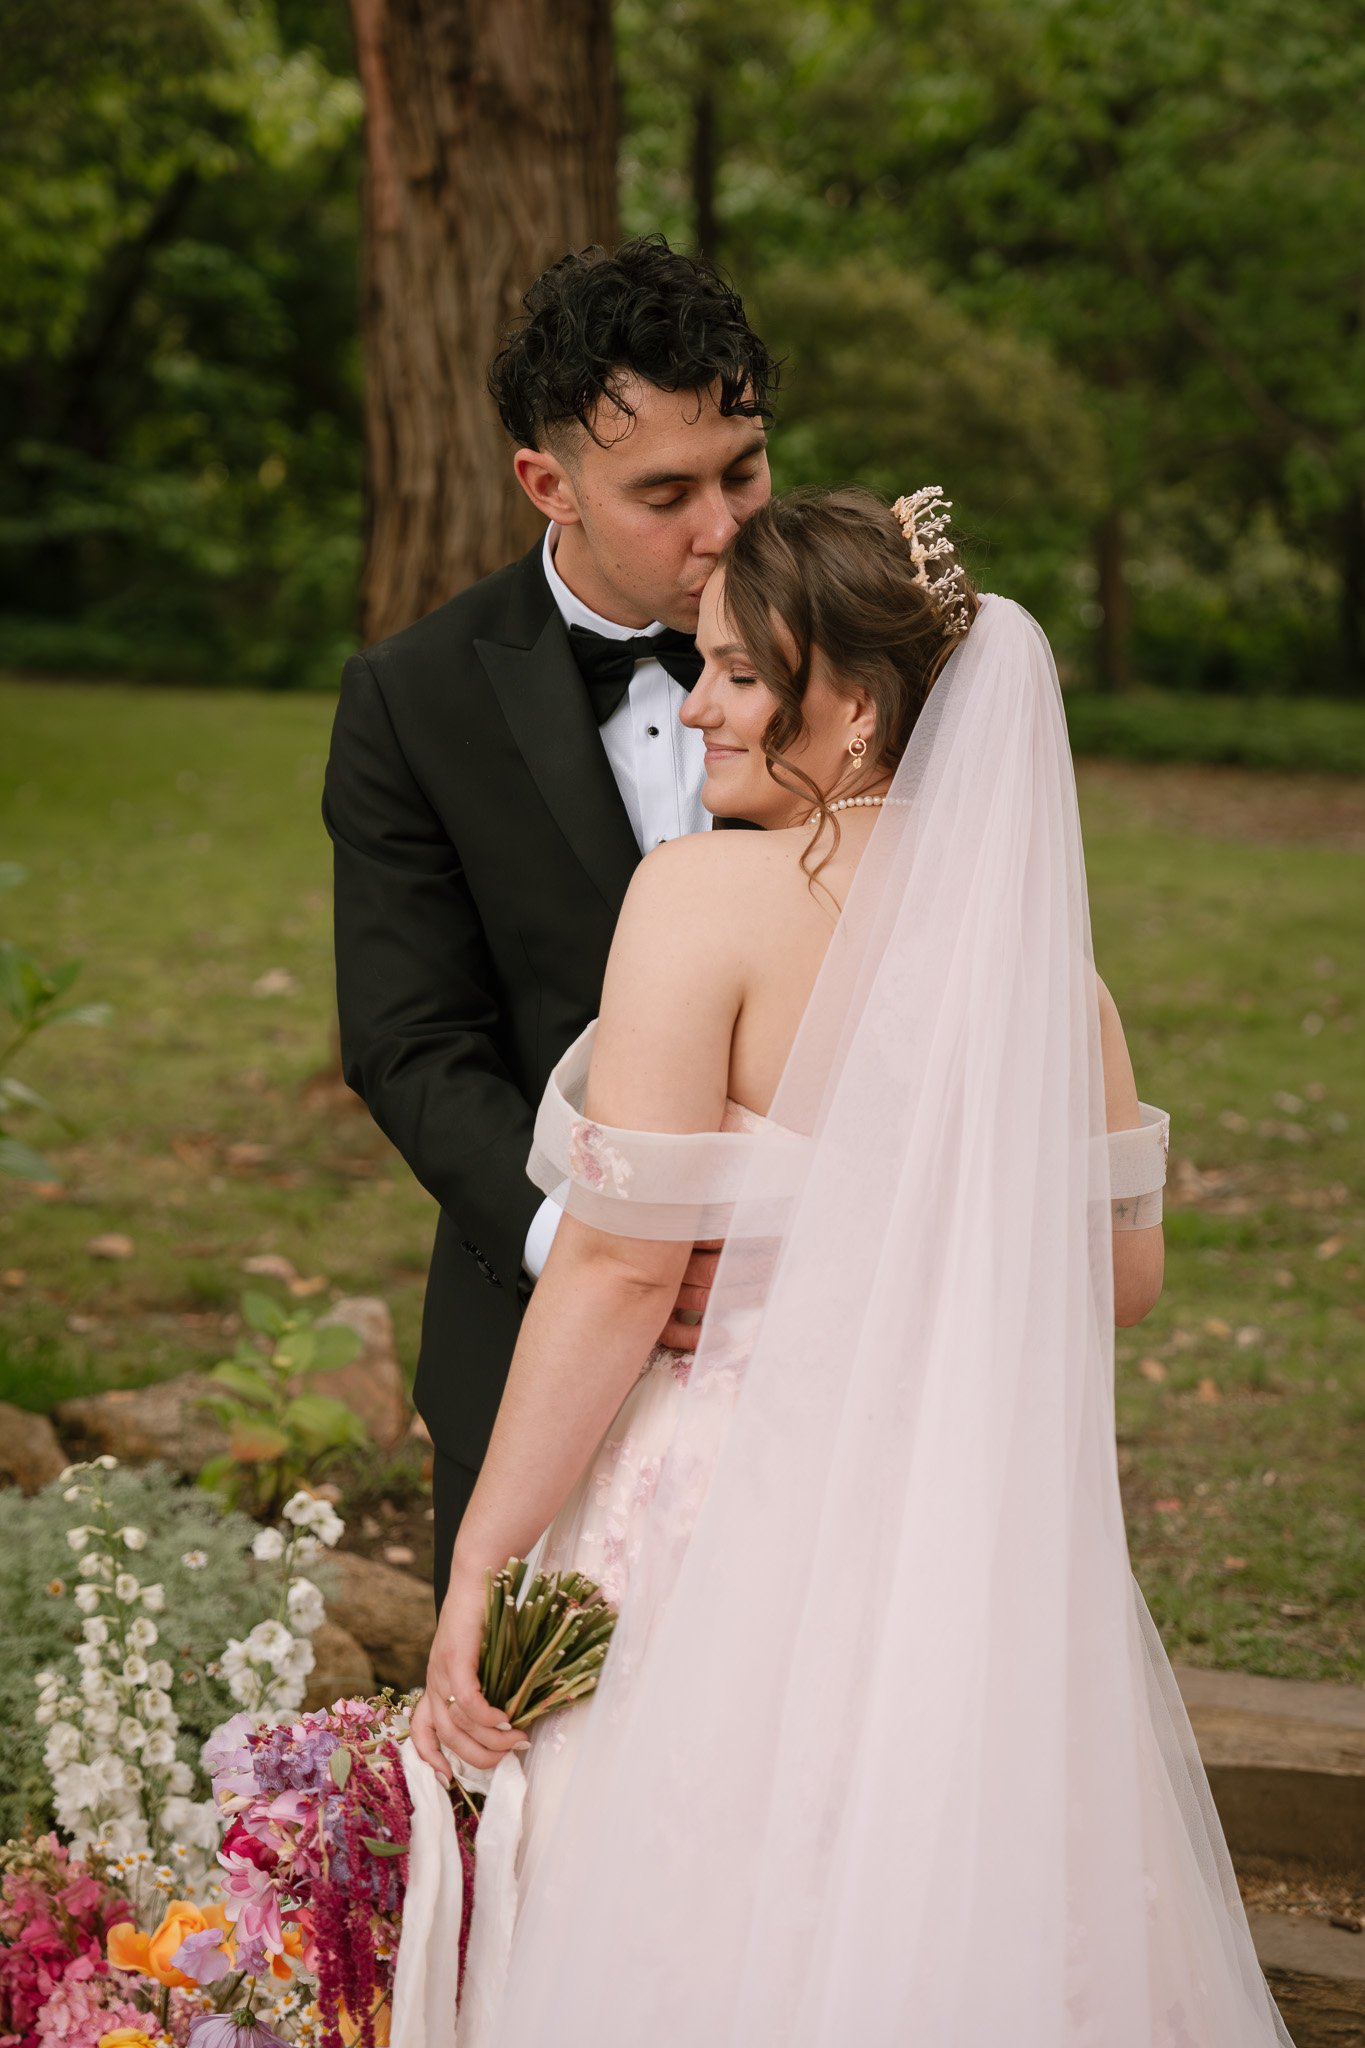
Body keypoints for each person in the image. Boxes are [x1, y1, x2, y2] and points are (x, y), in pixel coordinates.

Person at [398, 486, 1291, 2045]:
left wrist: (479, 1562)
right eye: (707, 665)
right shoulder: (1039, 963)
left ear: (859, 708)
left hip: (716, 1500)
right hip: (953, 1522)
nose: (697, 705)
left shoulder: (697, 901)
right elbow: (1121, 1278)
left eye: (743, 673)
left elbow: (614, 1275)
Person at [322, 236, 777, 1604]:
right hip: (534, 1344)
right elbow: (411, 1044)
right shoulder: (415, 699)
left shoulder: (865, 663)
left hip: (822, 1343)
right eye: (664, 492)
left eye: (744, 471)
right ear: (547, 484)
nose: (724, 529)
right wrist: (593, 1246)